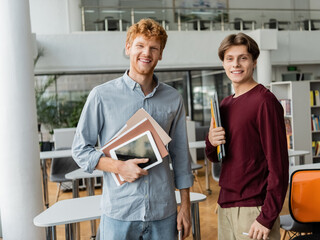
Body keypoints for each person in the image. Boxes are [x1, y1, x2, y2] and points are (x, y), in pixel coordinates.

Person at [72, 18, 193, 240]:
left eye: (153, 48)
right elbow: (80, 150)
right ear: (128, 48)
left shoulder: (173, 98)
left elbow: (181, 157)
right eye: (140, 45)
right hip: (119, 213)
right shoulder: (101, 96)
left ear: (160, 54)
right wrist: (118, 166)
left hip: (163, 212)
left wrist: (185, 207)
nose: (146, 53)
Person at [205, 32, 289, 240]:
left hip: (255, 209)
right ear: (223, 64)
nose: (236, 64)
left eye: (243, 58)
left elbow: (279, 165)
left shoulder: (265, 102)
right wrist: (211, 141)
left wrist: (266, 216)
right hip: (225, 205)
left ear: (254, 62)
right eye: (230, 59)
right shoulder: (224, 104)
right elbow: (215, 156)